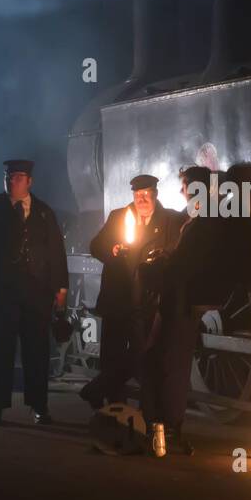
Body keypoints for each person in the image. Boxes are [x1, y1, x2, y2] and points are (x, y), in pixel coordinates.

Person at [140, 164, 251, 454]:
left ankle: (164, 427)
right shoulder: (206, 216)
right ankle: (163, 425)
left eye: (185, 185)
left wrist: (163, 263)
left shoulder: (208, 219)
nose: (181, 190)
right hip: (180, 298)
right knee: (166, 362)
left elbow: (189, 263)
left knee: (169, 364)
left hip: (182, 299)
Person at [0, 160, 68, 426]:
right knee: (0, 350)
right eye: (8, 177)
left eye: (18, 177)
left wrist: (60, 287)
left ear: (29, 181)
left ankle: (40, 406)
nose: (12, 182)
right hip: (3, 291)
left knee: (37, 351)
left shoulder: (43, 212)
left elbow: (56, 252)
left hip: (37, 292)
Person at [81, 173, 183, 408]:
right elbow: (96, 246)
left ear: (155, 195)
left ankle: (143, 410)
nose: (142, 199)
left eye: (146, 194)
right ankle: (112, 407)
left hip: (147, 302)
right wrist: (113, 249)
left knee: (143, 357)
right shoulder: (119, 217)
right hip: (118, 299)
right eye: (138, 195)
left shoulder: (169, 221)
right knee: (112, 354)